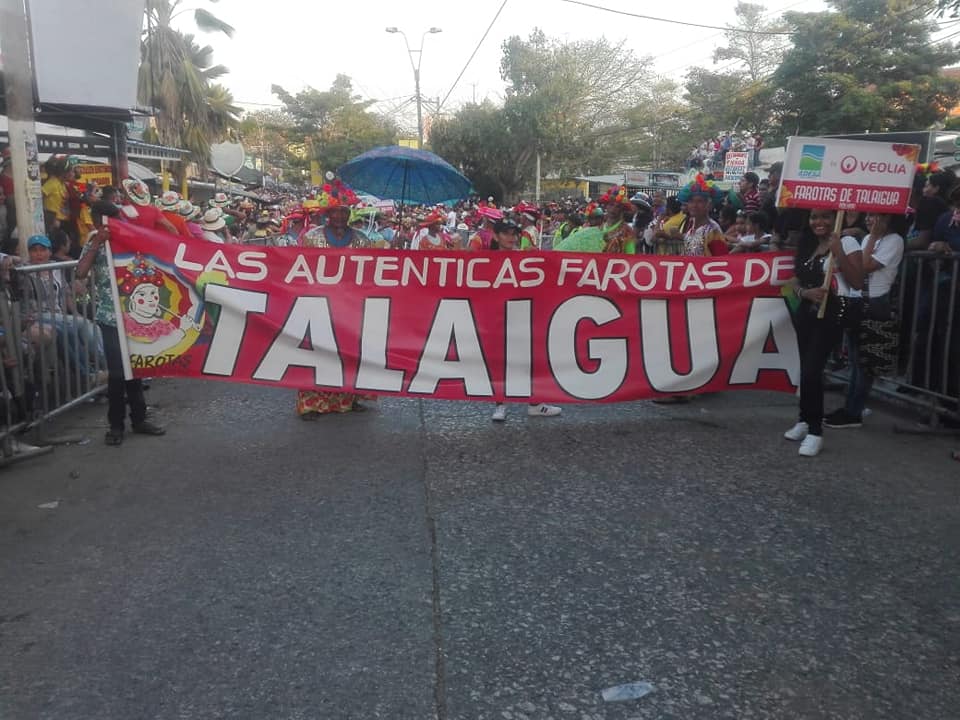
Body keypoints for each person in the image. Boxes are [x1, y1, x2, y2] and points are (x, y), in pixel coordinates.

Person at [76, 202, 166, 445]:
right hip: (110, 317)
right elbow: (81, 272)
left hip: (134, 315)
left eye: (118, 219)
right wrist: (97, 243)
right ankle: (115, 426)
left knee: (135, 370)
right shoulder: (95, 241)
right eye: (110, 220)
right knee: (117, 373)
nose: (117, 224)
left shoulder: (130, 236)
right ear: (98, 222)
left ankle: (139, 420)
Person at [784, 209, 863, 457]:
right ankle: (804, 419)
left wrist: (838, 250)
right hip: (806, 313)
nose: (819, 222)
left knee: (812, 370)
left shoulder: (847, 241)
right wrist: (804, 293)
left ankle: (815, 432)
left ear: (836, 218)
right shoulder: (808, 242)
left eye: (826, 217)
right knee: (805, 368)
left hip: (831, 315)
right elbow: (795, 280)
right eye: (814, 217)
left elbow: (858, 281)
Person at [296, 182, 374, 418]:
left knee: (349, 353)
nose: (340, 216)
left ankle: (348, 400)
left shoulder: (362, 239)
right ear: (327, 214)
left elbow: (369, 273)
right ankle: (310, 404)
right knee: (315, 353)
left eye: (344, 211)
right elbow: (300, 271)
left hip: (351, 308)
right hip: (318, 305)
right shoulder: (311, 238)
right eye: (335, 211)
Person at [824, 213, 905, 429]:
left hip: (876, 303)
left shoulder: (894, 241)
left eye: (877, 217)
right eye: (868, 216)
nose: (871, 220)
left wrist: (869, 238)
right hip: (858, 300)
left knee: (865, 364)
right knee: (855, 360)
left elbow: (863, 266)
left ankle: (854, 412)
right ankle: (851, 406)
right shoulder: (872, 238)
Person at [488, 219, 562, 422]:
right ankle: (500, 403)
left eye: (513, 233)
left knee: (531, 360)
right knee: (500, 362)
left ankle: (535, 403)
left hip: (523, 316)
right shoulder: (486, 259)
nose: (511, 237)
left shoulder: (524, 259)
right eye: (505, 233)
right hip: (496, 318)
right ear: (496, 236)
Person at [675, 175, 729, 257]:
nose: (694, 205)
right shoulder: (691, 229)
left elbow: (721, 260)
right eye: (691, 201)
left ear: (709, 205)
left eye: (700, 201)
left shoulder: (713, 231)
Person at [598, 186, 638, 254]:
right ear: (606, 206)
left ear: (622, 209)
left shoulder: (627, 231)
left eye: (618, 206)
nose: (613, 209)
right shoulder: (598, 228)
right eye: (611, 205)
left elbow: (630, 256)